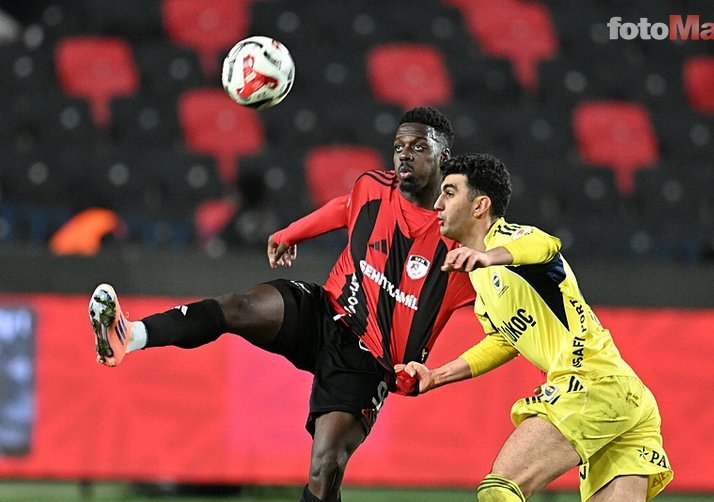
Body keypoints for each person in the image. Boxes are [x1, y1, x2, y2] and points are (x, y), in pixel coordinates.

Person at [87, 107, 476, 502]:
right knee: (240, 306)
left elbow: (502, 290)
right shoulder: (374, 186)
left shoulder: (462, 237)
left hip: (367, 361)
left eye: (418, 147)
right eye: (398, 146)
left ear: (443, 157)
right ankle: (130, 335)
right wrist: (292, 232)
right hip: (326, 311)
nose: (404, 154)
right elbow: (344, 207)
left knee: (326, 467)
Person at [396, 153, 673, 501]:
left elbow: (545, 246)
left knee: (499, 491)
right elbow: (503, 341)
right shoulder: (481, 278)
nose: (437, 204)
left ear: (480, 205)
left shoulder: (511, 240)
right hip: (624, 397)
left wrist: (489, 256)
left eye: (449, 193)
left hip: (592, 385)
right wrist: (437, 375)